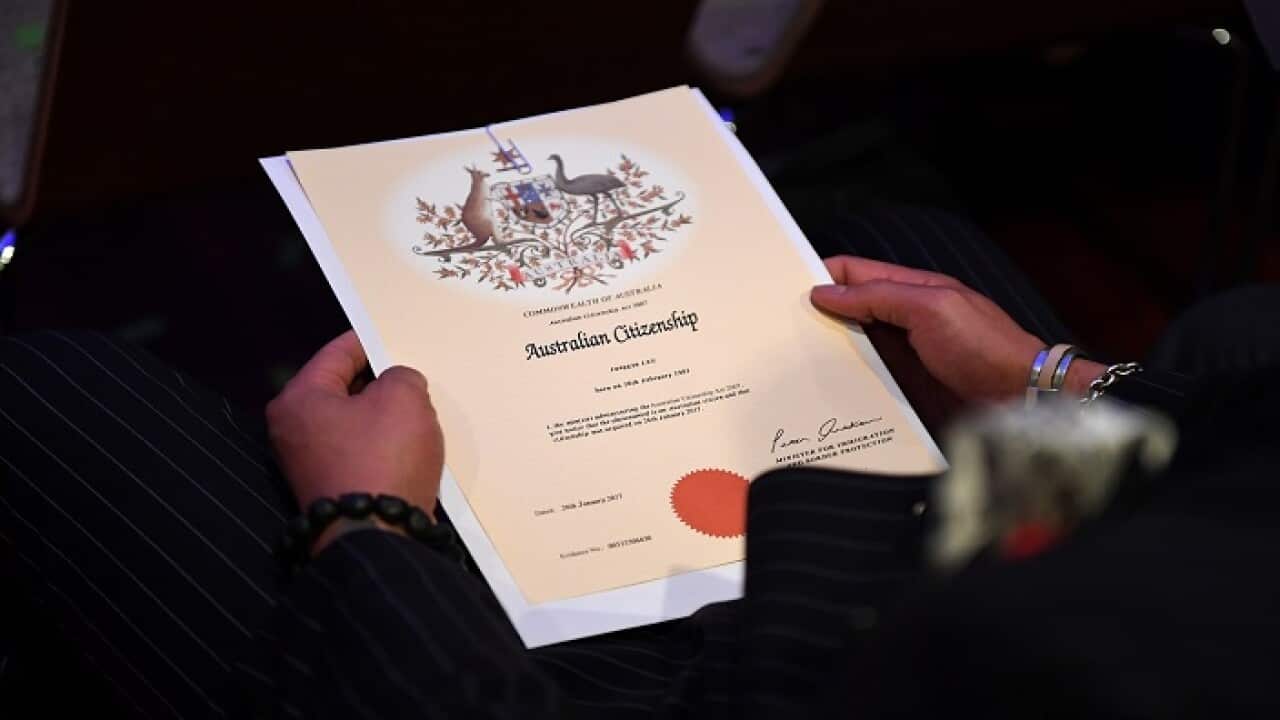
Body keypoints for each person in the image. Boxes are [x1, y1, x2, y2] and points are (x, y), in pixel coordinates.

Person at [1, 207, 1276, 719]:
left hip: (719, 679)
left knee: (54, 389)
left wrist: (364, 521)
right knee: (886, 243)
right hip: (935, 556)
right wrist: (1045, 374)